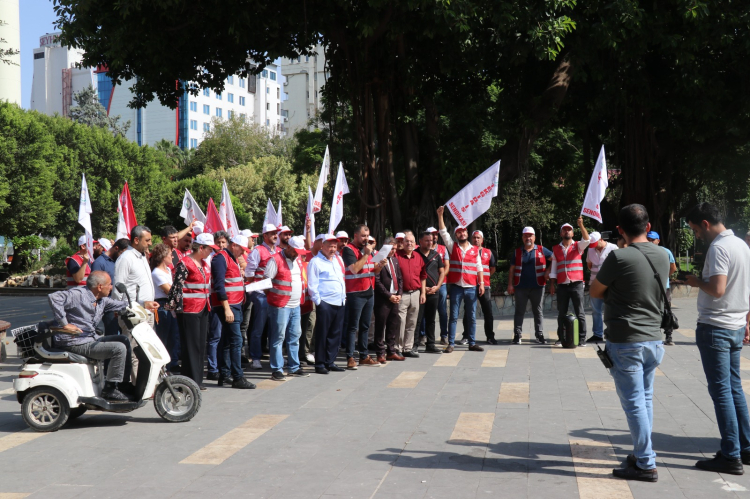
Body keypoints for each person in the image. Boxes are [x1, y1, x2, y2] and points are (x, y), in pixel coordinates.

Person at [589, 204, 668, 483]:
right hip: (654, 340)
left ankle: (646, 462)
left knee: (634, 403)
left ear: (620, 230)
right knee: (645, 399)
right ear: (648, 227)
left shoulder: (619, 257)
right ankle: (640, 453)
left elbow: (595, 291)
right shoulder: (662, 254)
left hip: (626, 341)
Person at [684, 202, 750, 475]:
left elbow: (718, 289)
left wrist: (695, 281)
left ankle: (731, 455)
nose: (697, 235)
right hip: (734, 324)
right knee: (734, 388)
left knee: (721, 391)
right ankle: (745, 448)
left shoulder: (719, 248)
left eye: (695, 230)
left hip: (716, 326)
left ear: (706, 224)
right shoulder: (741, 246)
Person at [48, 271, 159, 401]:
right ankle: (110, 389)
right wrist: (65, 324)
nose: (111, 287)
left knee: (124, 340)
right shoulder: (78, 295)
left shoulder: (102, 301)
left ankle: (122, 384)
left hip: (89, 339)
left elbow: (123, 305)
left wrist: (144, 305)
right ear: (100, 287)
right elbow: (54, 297)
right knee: (118, 348)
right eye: (109, 284)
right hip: (74, 341)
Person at [165, 233, 215, 389]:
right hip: (188, 310)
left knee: (200, 345)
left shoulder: (204, 264)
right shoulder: (185, 263)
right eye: (209, 249)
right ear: (201, 248)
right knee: (191, 346)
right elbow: (176, 287)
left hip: (203, 307)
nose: (211, 252)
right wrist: (174, 308)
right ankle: (191, 380)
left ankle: (196, 380)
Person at [436, 206, 485, 353]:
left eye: (463, 231)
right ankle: (451, 344)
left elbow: (479, 267)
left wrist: (481, 284)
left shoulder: (475, 249)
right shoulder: (453, 247)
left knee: (471, 317)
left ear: (467, 233)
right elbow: (443, 233)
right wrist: (440, 216)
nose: (462, 233)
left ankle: (472, 342)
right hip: (457, 286)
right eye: (459, 232)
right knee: (454, 316)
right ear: (456, 235)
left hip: (471, 286)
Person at [113, 225, 156, 383]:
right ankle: (138, 384)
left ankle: (147, 382)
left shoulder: (142, 256)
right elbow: (119, 287)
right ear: (136, 240)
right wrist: (123, 310)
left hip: (146, 311)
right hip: (132, 313)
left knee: (147, 350)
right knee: (134, 350)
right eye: (147, 240)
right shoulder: (126, 258)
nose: (150, 243)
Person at [211, 235, 255, 389]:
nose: (243, 253)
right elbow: (219, 285)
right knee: (236, 340)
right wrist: (227, 308)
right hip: (229, 306)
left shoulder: (232, 258)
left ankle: (225, 374)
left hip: (235, 304)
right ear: (234, 245)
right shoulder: (221, 258)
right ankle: (238, 377)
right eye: (242, 249)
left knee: (228, 341)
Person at [265, 235, 310, 380]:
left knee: (294, 336)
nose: (297, 253)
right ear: (288, 247)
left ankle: (294, 367)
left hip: (295, 305)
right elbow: (266, 283)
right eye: (295, 250)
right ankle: (277, 369)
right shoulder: (275, 259)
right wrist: (274, 298)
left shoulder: (297, 259)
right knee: (278, 337)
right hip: (280, 306)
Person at [342, 224, 383, 368]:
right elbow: (354, 269)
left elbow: (374, 270)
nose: (366, 239)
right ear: (356, 236)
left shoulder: (369, 249)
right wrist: (366, 254)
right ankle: (350, 357)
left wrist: (381, 265)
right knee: (353, 326)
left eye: (368, 235)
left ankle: (364, 356)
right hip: (355, 293)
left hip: (369, 291)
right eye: (363, 236)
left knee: (365, 326)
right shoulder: (348, 249)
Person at [308, 234, 347, 374]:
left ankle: (330, 361)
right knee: (322, 334)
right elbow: (312, 285)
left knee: (335, 334)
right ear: (322, 246)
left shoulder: (338, 259)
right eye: (330, 246)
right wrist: (319, 302)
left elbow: (341, 278)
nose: (333, 249)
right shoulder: (316, 262)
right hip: (325, 302)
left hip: (339, 301)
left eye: (335, 246)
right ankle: (320, 363)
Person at [549, 217, 590, 346]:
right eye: (564, 230)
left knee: (580, 312)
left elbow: (587, 239)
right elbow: (554, 268)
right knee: (561, 312)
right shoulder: (556, 248)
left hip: (576, 283)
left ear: (573, 233)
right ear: (561, 233)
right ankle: (561, 338)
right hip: (562, 285)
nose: (567, 232)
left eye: (569, 230)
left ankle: (582, 338)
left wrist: (581, 225)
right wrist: (552, 284)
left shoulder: (578, 246)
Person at [507, 227, 552, 344]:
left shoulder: (542, 249)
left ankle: (539, 335)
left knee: (538, 311)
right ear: (522, 238)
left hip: (538, 286)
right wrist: (510, 284)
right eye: (526, 236)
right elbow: (512, 269)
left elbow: (555, 259)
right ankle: (517, 335)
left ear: (534, 237)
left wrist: (548, 270)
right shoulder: (517, 252)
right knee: (519, 311)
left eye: (530, 235)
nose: (528, 238)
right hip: (520, 286)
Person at [244, 223, 279, 369]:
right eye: (271, 233)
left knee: (274, 327)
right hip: (260, 294)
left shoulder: (279, 251)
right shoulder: (258, 250)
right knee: (259, 327)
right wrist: (255, 290)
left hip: (275, 294)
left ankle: (273, 357)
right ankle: (256, 357)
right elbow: (249, 273)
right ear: (265, 235)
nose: (275, 236)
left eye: (276, 233)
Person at [150, 243, 181, 373]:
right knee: (163, 338)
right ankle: (162, 368)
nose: (172, 257)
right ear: (163, 257)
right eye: (170, 255)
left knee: (172, 338)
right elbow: (170, 291)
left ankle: (169, 366)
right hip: (162, 305)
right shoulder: (157, 272)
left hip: (171, 306)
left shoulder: (168, 270)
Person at [395, 230, 426, 357]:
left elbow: (423, 276)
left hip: (415, 293)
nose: (409, 243)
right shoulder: (396, 256)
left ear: (415, 243)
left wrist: (423, 293)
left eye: (411, 241)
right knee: (400, 321)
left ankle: (408, 348)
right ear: (402, 242)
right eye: (407, 241)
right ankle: (398, 347)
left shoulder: (418, 257)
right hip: (402, 294)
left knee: (412, 321)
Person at [374, 238, 404, 363]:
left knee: (393, 325)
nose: (393, 251)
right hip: (383, 299)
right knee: (381, 326)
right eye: (391, 249)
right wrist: (388, 295)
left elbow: (400, 278)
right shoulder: (378, 259)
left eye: (395, 249)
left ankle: (391, 351)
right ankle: (380, 353)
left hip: (395, 297)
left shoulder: (395, 260)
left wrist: (399, 294)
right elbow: (376, 280)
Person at [205, 230, 230, 380]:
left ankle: (222, 367)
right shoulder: (211, 259)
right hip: (214, 301)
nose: (220, 245)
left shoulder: (227, 258)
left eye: (223, 242)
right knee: (215, 336)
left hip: (225, 301)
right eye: (218, 242)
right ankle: (213, 368)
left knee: (224, 337)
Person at [92, 238, 129, 336]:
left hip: (122, 304)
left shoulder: (119, 261)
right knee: (113, 336)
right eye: (123, 253)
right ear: (116, 248)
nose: (124, 257)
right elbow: (96, 286)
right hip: (108, 307)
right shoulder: (99, 263)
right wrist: (115, 287)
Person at [646, 231, 678, 345]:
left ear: (658, 241)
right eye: (648, 239)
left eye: (652, 240)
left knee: (666, 311)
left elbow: (673, 267)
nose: (650, 242)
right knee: (651, 310)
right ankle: (652, 335)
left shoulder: (666, 251)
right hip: (649, 286)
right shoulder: (644, 252)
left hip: (664, 287)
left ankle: (668, 336)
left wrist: (664, 276)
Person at [586, 232, 618, 343]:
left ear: (601, 239)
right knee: (596, 311)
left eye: (595, 244)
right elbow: (589, 265)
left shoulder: (613, 248)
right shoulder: (590, 250)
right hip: (595, 284)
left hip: (610, 285)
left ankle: (613, 333)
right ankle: (597, 334)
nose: (594, 246)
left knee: (612, 309)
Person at [416, 231, 445, 354]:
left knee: (431, 319)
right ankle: (414, 345)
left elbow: (442, 272)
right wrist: (422, 289)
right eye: (427, 240)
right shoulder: (415, 254)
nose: (430, 242)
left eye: (431, 240)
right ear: (420, 241)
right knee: (417, 319)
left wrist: (437, 287)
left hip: (433, 292)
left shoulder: (436, 255)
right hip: (419, 292)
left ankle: (431, 344)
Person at [467, 230, 496, 344]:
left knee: (488, 312)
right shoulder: (467, 251)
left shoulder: (488, 252)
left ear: (482, 240)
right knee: (468, 312)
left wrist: (483, 279)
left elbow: (492, 268)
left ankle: (490, 336)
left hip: (485, 286)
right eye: (474, 237)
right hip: (471, 285)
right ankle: (466, 336)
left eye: (478, 237)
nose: (476, 240)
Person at [428, 226, 450, 344]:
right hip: (427, 286)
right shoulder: (422, 249)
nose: (434, 236)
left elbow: (447, 266)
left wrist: (439, 282)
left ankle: (444, 335)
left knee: (442, 311)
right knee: (426, 311)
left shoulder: (442, 249)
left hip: (441, 285)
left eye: (436, 234)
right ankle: (423, 336)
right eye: (432, 234)